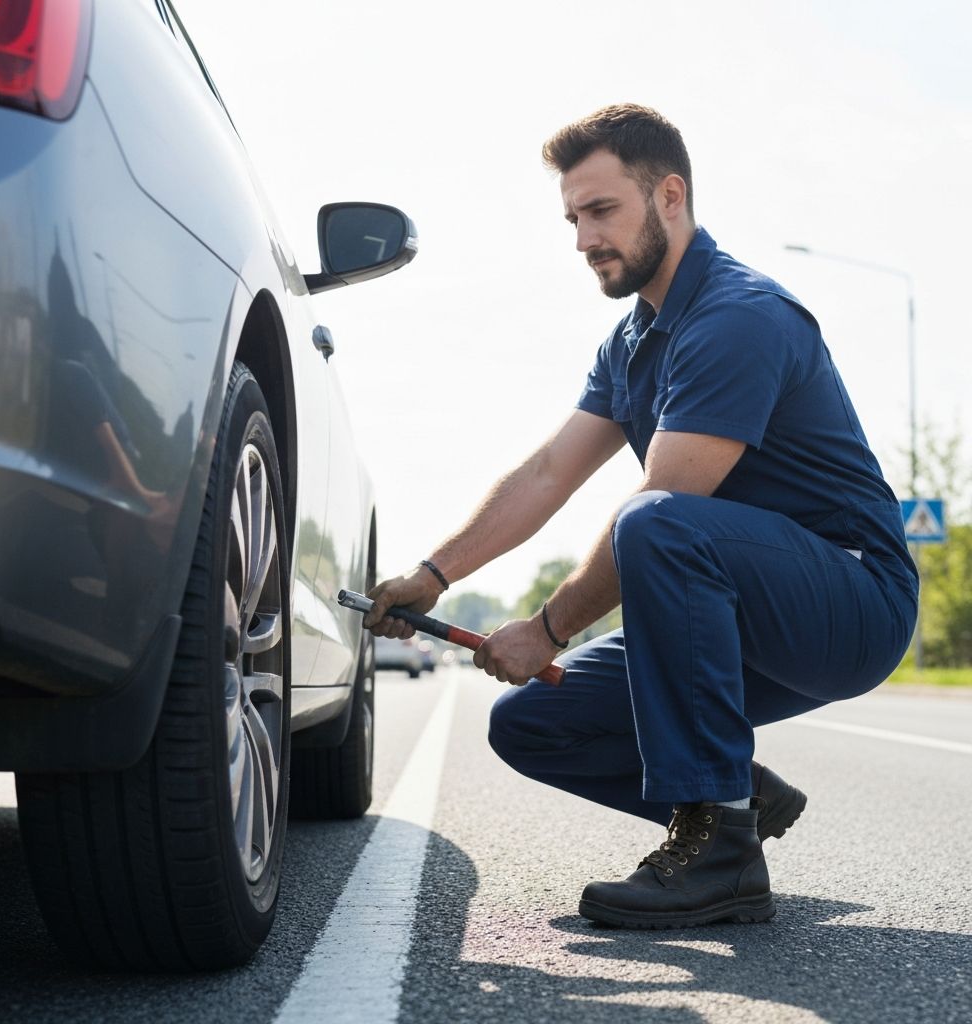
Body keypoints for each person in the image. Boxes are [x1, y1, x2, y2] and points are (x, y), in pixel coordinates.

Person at [365, 104, 918, 929]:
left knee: (655, 521)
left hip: (849, 601)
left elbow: (668, 505)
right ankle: (735, 794)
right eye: (573, 218)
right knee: (534, 724)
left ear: (669, 195)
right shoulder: (632, 341)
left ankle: (720, 845)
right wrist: (435, 574)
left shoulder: (739, 316)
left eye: (601, 211)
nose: (584, 238)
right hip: (738, 607)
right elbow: (550, 471)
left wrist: (547, 630)